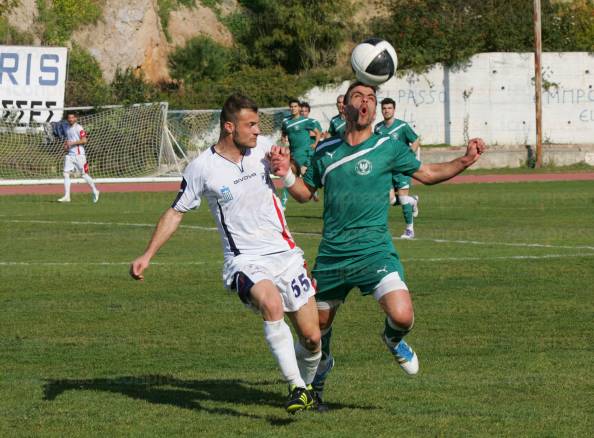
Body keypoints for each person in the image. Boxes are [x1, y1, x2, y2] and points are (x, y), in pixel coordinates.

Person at [269, 81, 485, 408]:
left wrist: (465, 160)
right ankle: (318, 386)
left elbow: (427, 173)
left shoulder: (388, 147)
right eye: (359, 96)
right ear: (345, 107)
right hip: (333, 256)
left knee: (403, 315)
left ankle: (392, 338)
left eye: (371, 97)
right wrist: (286, 175)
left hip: (374, 251)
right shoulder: (326, 152)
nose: (366, 102)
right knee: (317, 331)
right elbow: (304, 193)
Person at [130, 94, 322, 414]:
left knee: (313, 338)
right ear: (229, 127)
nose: (258, 131)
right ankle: (297, 387)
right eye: (251, 125)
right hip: (244, 260)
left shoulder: (263, 151)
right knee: (271, 303)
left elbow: (291, 174)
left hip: (286, 255)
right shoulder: (202, 168)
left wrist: (284, 166)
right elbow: (176, 212)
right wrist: (147, 254)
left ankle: (307, 387)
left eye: (258, 124)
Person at [374, 98, 421, 238]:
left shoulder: (402, 126)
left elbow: (416, 139)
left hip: (401, 169)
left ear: (394, 110)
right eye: (384, 108)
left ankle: (409, 230)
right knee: (392, 200)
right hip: (386, 169)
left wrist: (409, 155)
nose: (386, 110)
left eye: (389, 108)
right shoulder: (378, 128)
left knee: (402, 198)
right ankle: (413, 201)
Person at [57, 112, 100, 203]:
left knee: (83, 174)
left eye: (72, 118)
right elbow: (69, 141)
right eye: (69, 118)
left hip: (79, 155)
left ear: (76, 118)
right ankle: (67, 196)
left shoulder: (79, 128)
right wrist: (66, 146)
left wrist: (71, 143)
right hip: (70, 155)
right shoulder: (67, 128)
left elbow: (84, 140)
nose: (71, 119)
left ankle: (95, 191)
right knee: (65, 173)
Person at [281, 99, 321, 175]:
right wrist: (284, 144)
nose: (293, 108)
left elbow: (318, 132)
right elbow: (283, 133)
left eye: (295, 106)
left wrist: (315, 144)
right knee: (295, 176)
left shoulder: (305, 120)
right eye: (291, 107)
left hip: (304, 153)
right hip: (293, 152)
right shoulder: (286, 121)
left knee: (304, 174)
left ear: (299, 108)